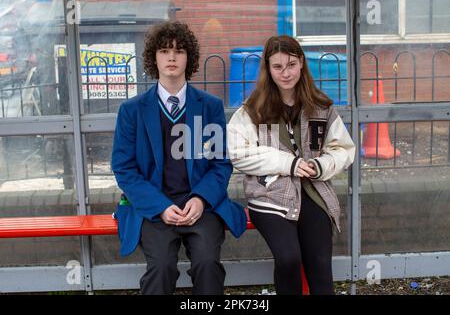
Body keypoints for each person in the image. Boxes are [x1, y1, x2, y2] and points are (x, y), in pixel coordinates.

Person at [111, 21, 247, 295]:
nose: (171, 57)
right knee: (161, 267)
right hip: (155, 209)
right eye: (164, 51)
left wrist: (200, 199)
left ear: (189, 58)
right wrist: (160, 206)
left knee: (208, 264)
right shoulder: (132, 110)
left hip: (200, 206)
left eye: (179, 50)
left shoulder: (209, 106)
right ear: (153, 58)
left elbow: (221, 162)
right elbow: (124, 168)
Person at [227, 35, 355, 295]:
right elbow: (238, 152)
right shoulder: (253, 110)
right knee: (288, 258)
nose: (285, 73)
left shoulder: (321, 107)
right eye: (277, 67)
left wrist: (322, 165)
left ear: (301, 64)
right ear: (268, 69)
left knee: (320, 266)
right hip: (270, 197)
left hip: (313, 193)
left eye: (291, 65)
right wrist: (289, 163)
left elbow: (343, 149)